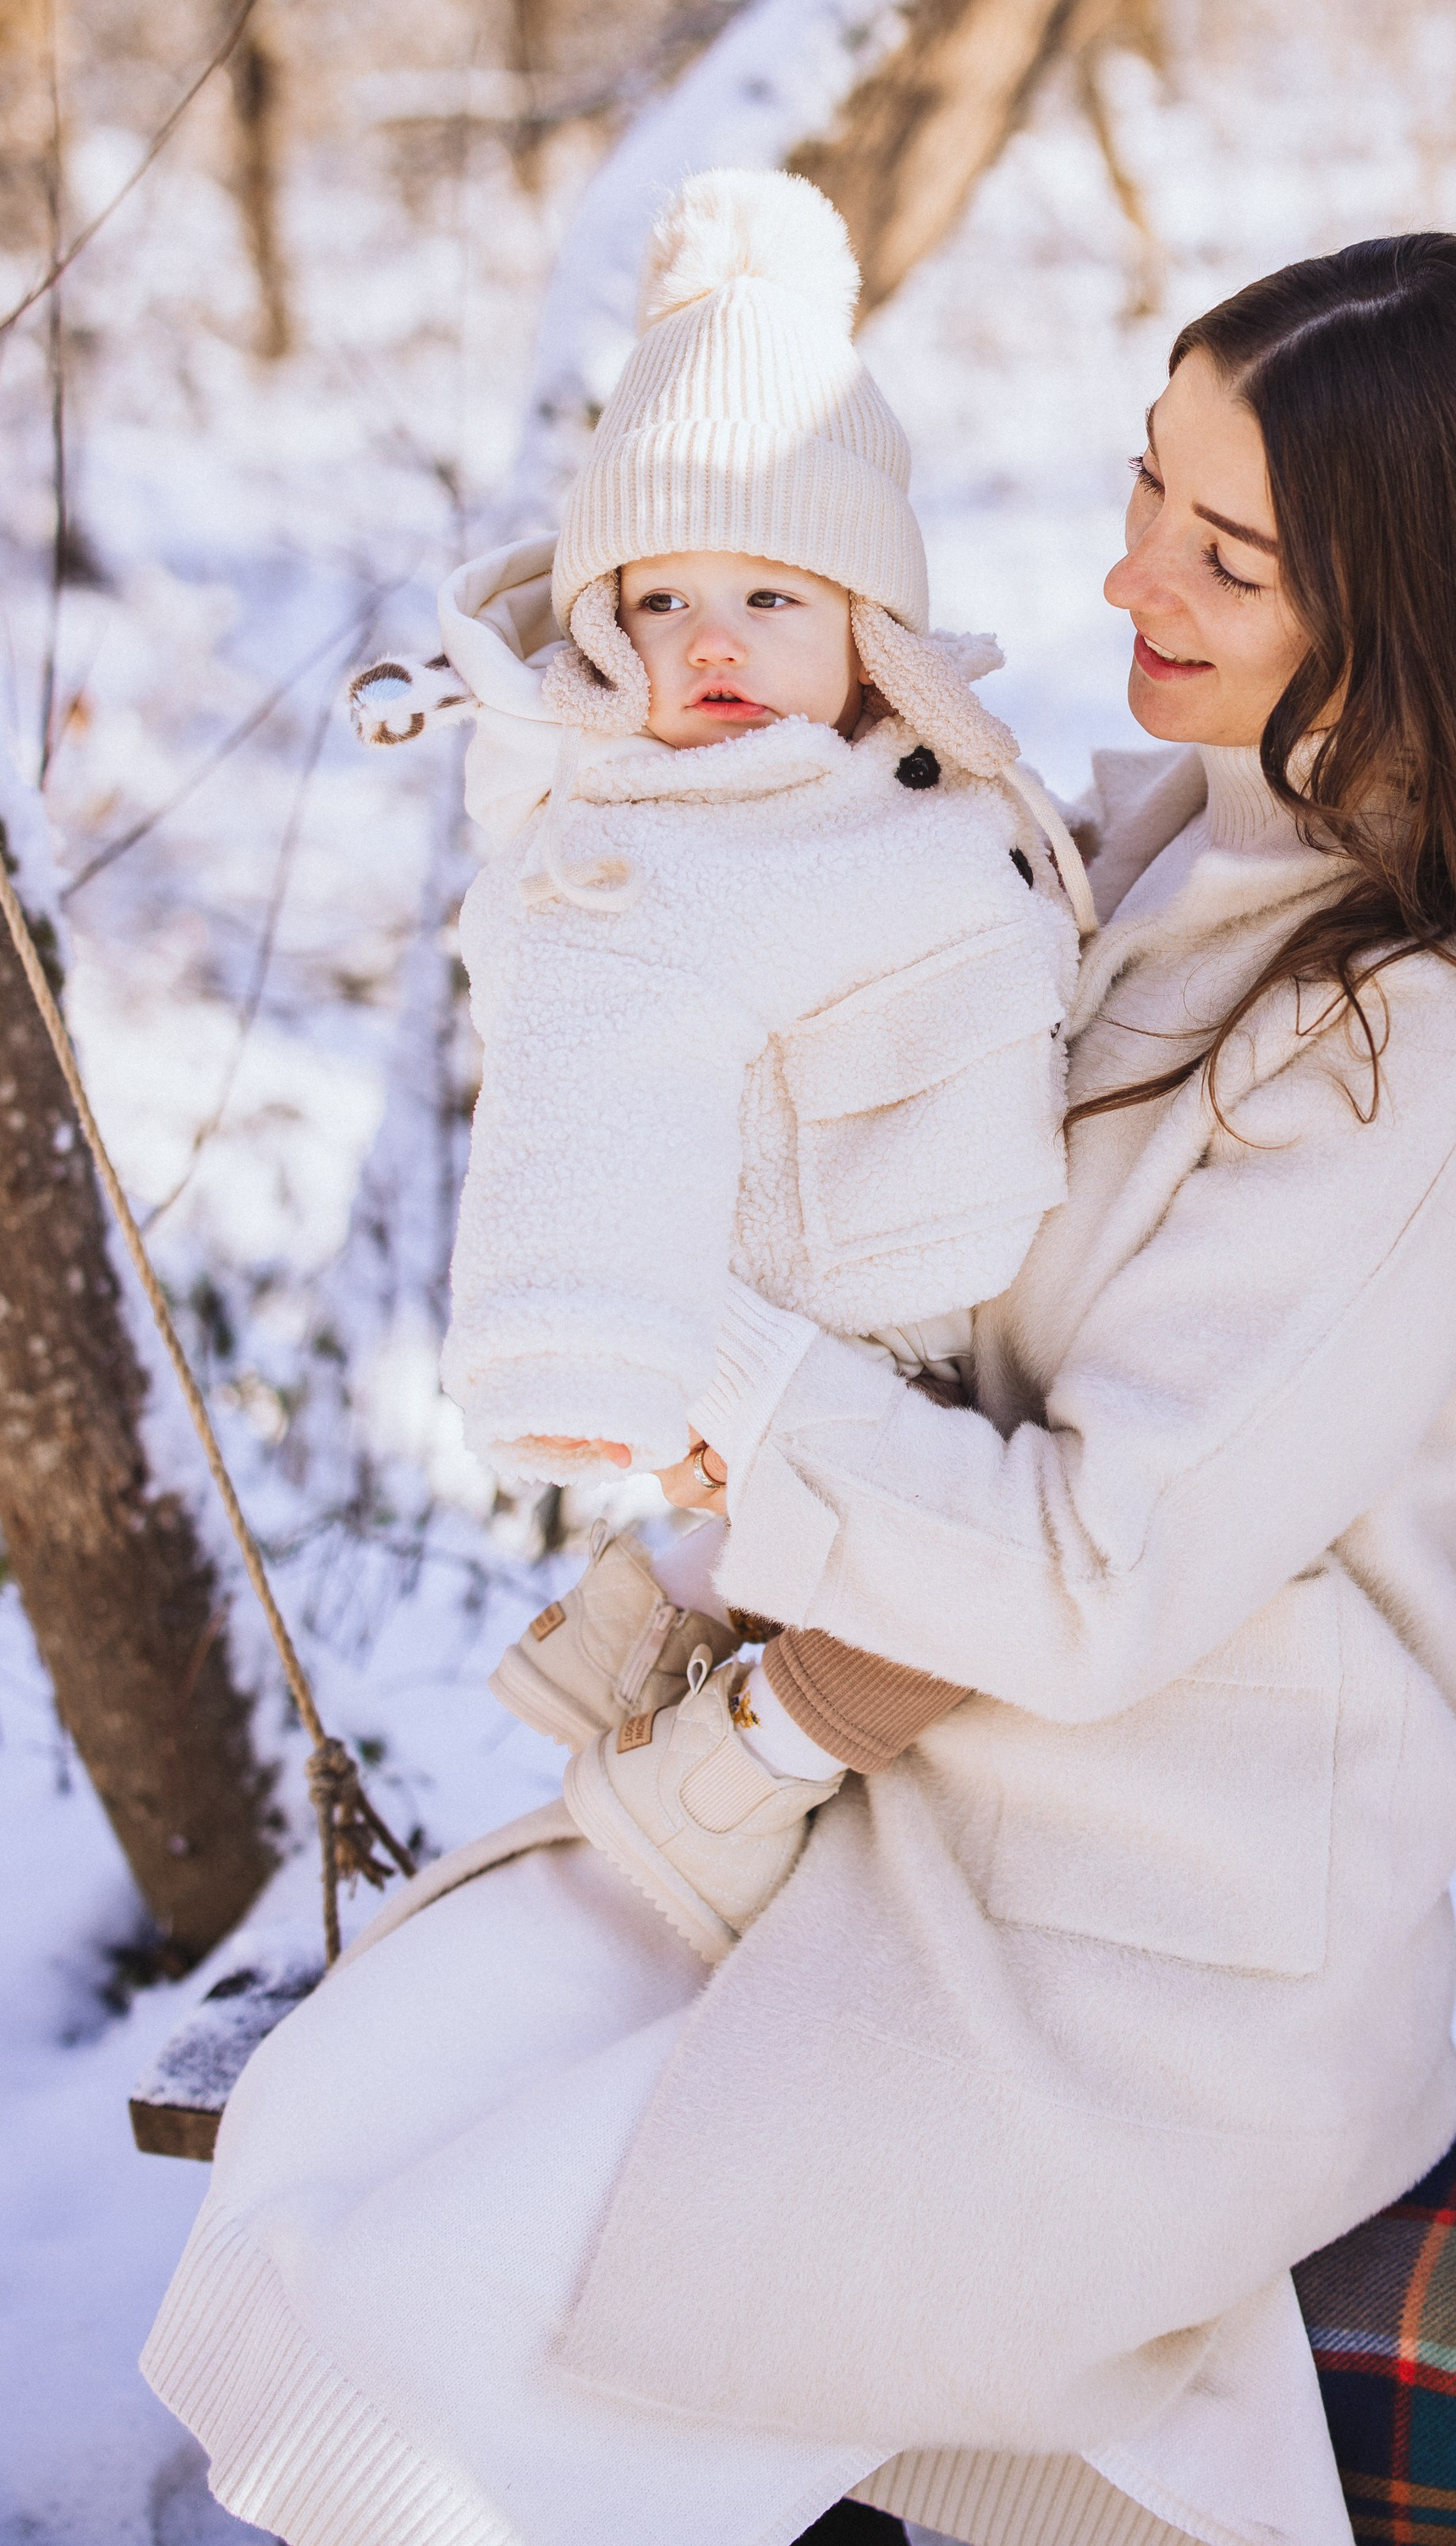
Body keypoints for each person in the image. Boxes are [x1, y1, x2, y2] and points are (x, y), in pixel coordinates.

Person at [144, 231, 1456, 2546]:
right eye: (1142, 494)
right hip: (889, 1774)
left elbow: (1097, 1574)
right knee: (336, 2119)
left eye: (1229, 553)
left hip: (1142, 1943)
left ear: (1425, 605)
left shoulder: (1417, 1051)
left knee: (452, 2316)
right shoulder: (1146, 837)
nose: (1127, 577)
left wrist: (722, 1366)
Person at [371, 162, 1088, 1957]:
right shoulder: (663, 842)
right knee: (945, 1609)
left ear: (874, 624)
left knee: (943, 1567)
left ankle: (643, 1622)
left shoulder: (893, 760)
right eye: (664, 596)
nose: (709, 638)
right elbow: (594, 1079)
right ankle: (722, 1773)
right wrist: (583, 1347)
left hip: (936, 1300)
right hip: (843, 1323)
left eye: (771, 596)